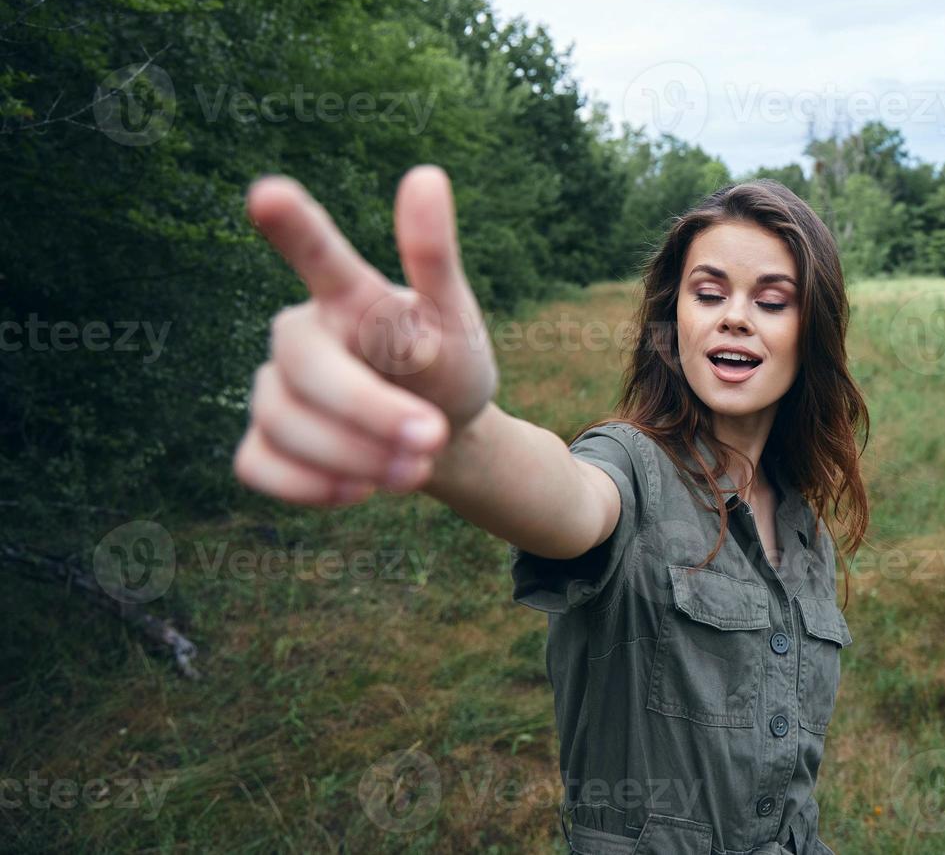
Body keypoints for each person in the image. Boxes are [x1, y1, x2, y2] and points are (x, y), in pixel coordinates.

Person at [234, 166, 870, 853]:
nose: (735, 316)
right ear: (673, 320)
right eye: (708, 292)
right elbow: (565, 496)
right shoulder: (629, 468)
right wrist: (456, 433)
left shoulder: (806, 529)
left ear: (812, 333)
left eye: (773, 302)